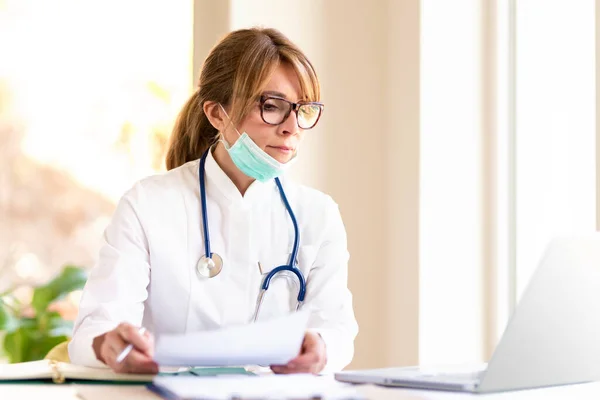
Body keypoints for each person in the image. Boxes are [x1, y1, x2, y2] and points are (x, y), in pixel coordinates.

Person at [68, 27, 358, 375]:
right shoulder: (147, 204)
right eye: (271, 106)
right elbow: (93, 330)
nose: (292, 126)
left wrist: (321, 349)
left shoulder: (317, 214)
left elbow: (338, 330)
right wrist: (109, 343)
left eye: (303, 109)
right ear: (217, 114)